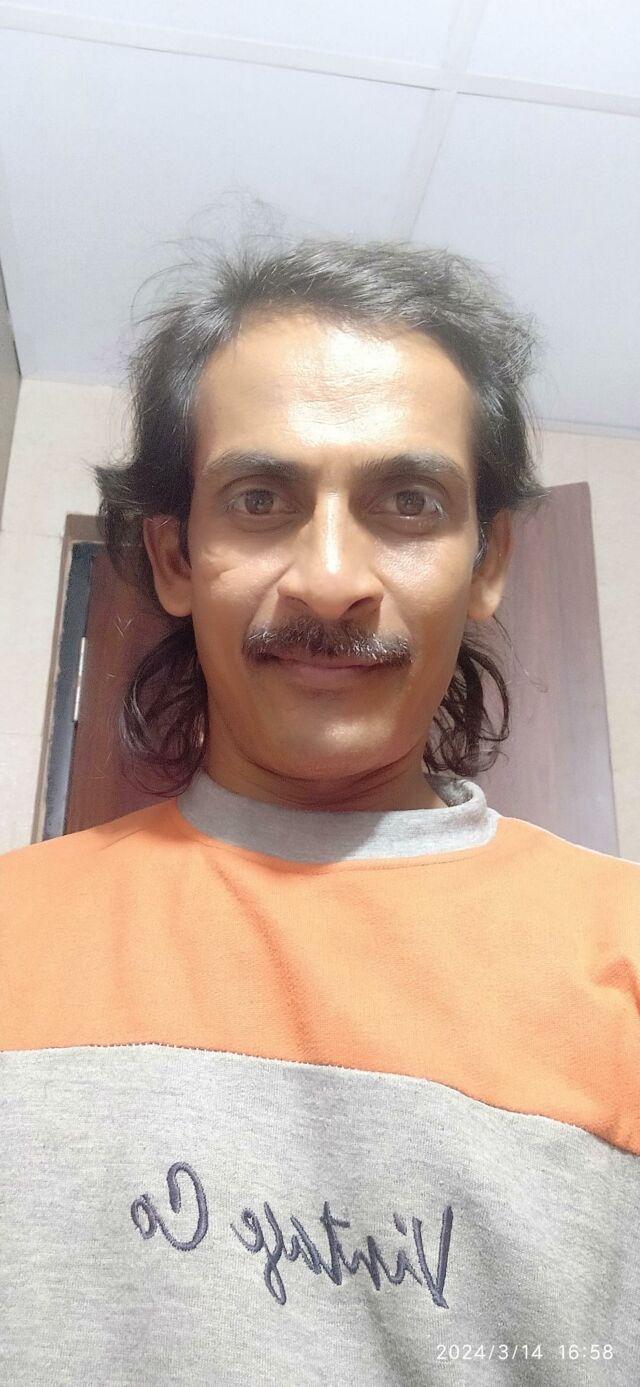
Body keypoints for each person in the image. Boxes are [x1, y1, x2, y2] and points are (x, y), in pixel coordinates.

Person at [1, 237, 638, 1386]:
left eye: (407, 502)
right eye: (260, 500)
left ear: (487, 560)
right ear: (175, 556)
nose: (332, 580)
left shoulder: (623, 956)